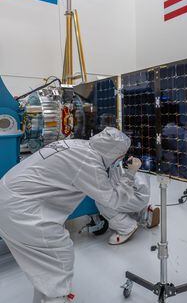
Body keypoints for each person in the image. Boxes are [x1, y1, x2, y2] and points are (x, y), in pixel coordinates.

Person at [0, 127, 158, 303]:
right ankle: (57, 299)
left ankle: (47, 298)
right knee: (58, 260)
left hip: (9, 196)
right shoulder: (89, 162)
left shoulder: (79, 145)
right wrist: (130, 173)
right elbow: (113, 201)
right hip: (21, 208)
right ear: (115, 154)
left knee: (45, 268)